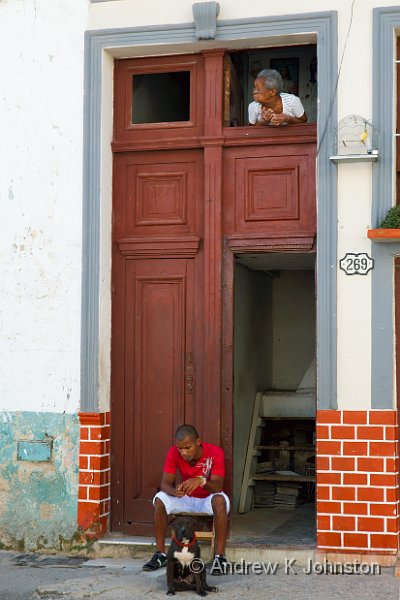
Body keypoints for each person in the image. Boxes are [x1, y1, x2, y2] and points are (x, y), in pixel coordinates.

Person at [142, 424, 230, 574]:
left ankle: (219, 557)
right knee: (160, 500)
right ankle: (160, 554)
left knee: (220, 501)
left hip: (207, 499)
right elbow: (165, 484)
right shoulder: (173, 452)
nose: (183, 452)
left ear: (198, 442)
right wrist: (175, 492)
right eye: (180, 448)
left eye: (188, 447)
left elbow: (218, 487)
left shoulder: (215, 452)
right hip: (186, 498)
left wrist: (201, 481)